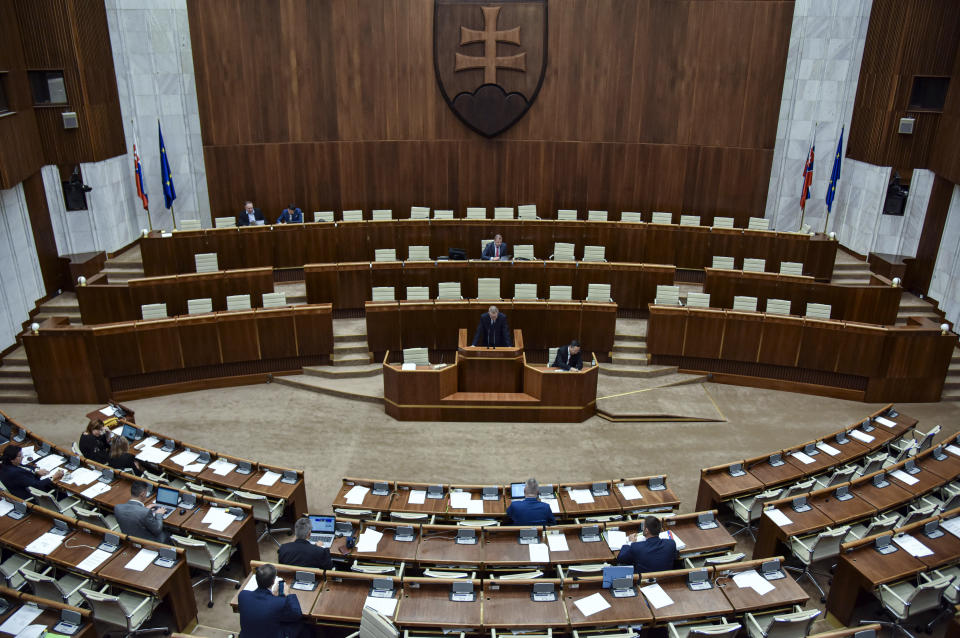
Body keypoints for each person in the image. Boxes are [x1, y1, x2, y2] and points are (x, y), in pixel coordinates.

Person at [238, 563, 307, 638]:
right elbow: (297, 614)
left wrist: (272, 595)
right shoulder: (279, 602)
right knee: (302, 624)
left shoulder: (243, 595)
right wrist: (288, 594)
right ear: (273, 581)